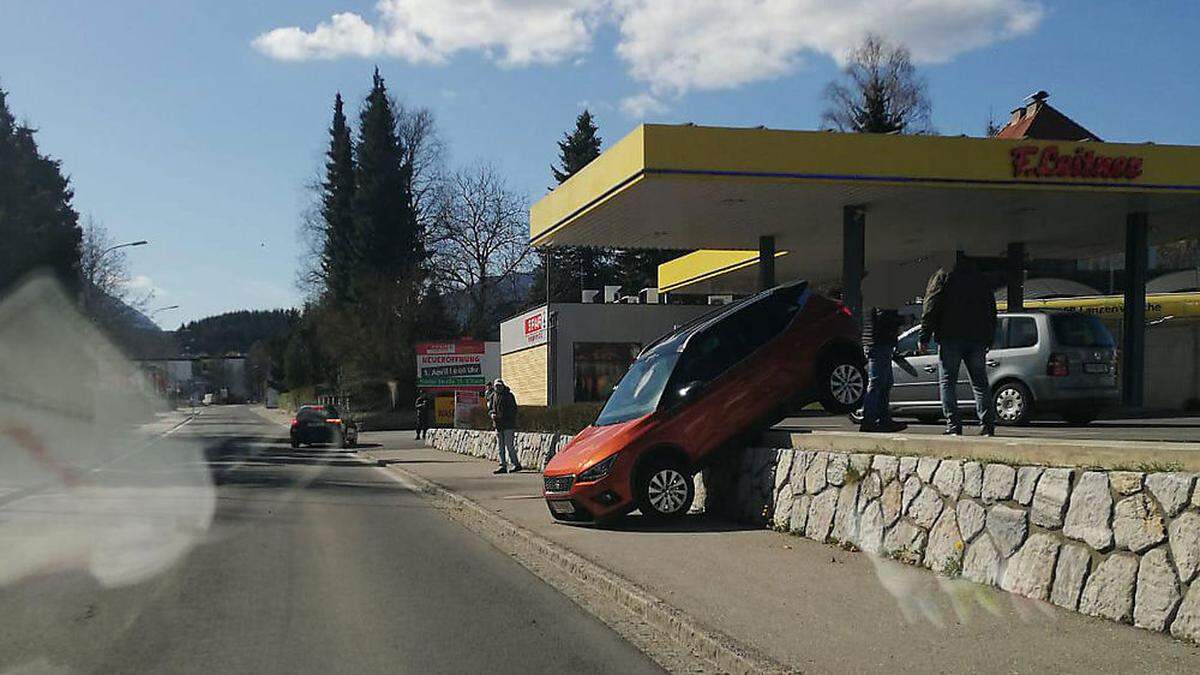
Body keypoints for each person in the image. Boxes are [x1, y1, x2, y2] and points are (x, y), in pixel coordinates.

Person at [920, 257, 998, 436]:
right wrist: (990, 336)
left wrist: (924, 336)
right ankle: (987, 425)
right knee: (980, 382)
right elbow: (990, 309)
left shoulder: (943, 276)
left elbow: (931, 306)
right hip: (977, 337)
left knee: (947, 382)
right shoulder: (979, 278)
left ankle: (954, 425)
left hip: (950, 336)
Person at [860, 308, 907, 433]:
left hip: (877, 342)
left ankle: (881, 419)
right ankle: (870, 420)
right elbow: (883, 319)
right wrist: (902, 320)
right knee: (877, 382)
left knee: (884, 382)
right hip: (879, 342)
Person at [490, 379, 522, 474]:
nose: (498, 388)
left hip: (508, 425)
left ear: (503, 386)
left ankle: (516, 464)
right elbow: (491, 408)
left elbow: (513, 410)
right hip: (498, 425)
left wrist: (502, 415)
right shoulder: (493, 396)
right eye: (496, 386)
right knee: (500, 447)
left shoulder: (509, 396)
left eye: (499, 386)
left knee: (509, 446)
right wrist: (492, 414)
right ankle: (502, 465)